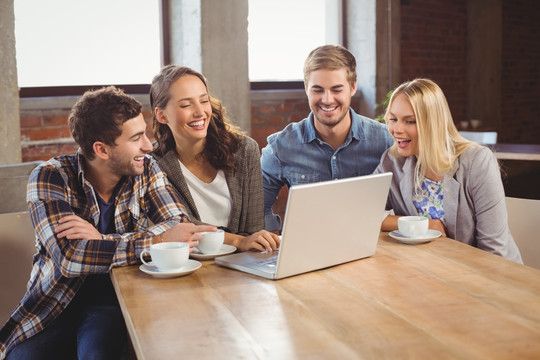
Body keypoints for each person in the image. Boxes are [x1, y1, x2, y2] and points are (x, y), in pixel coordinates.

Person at [0, 86, 216, 359]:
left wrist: (101, 240)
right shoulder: (50, 177)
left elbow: (179, 224)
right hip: (52, 305)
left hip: (115, 299)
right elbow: (70, 257)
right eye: (136, 138)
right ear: (101, 149)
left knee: (99, 352)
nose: (148, 146)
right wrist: (158, 241)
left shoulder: (146, 168)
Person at [374, 78, 522, 263]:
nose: (396, 129)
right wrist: (425, 224)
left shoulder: (478, 162)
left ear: (433, 123)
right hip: (430, 271)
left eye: (410, 121)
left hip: (487, 273)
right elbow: (361, 213)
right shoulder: (392, 161)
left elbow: (494, 252)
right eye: (393, 119)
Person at [261, 45, 394, 231]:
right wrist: (275, 237)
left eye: (337, 89)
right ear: (306, 88)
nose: (327, 99)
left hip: (371, 251)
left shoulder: (386, 141)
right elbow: (257, 208)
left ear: (353, 86)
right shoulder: (280, 146)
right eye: (318, 90)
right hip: (307, 252)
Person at [150, 65, 280, 252]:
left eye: (204, 101)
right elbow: (181, 227)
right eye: (186, 105)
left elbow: (253, 229)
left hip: (241, 263)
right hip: (187, 265)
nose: (200, 112)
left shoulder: (244, 150)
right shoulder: (153, 165)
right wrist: (238, 241)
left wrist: (248, 242)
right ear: (161, 115)